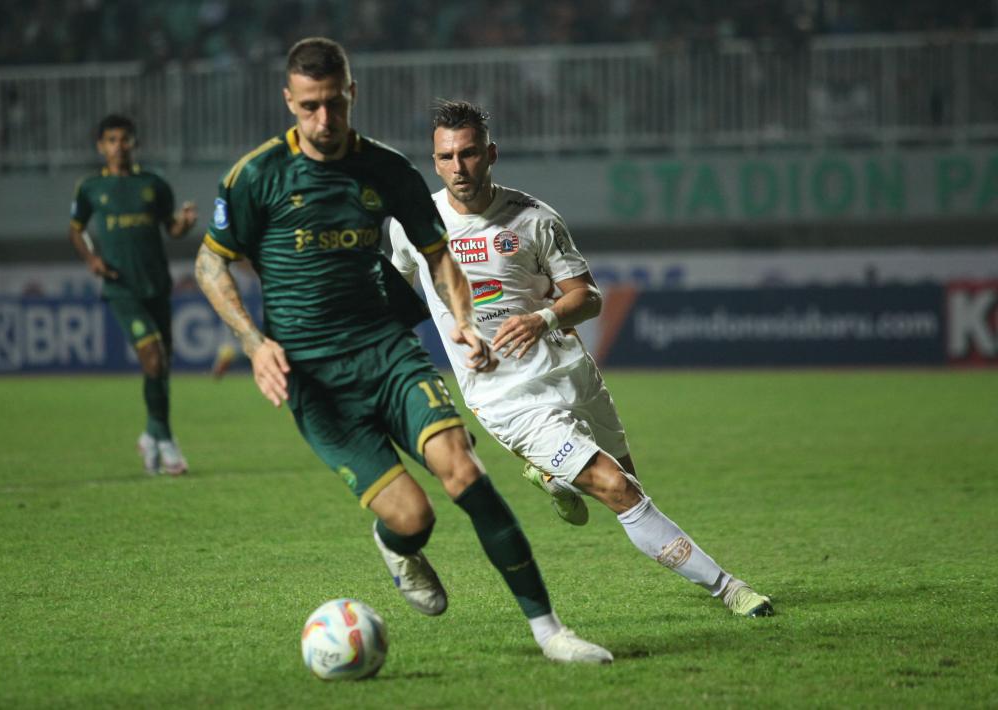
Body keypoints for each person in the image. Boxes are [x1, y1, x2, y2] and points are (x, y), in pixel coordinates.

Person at [195, 37, 614, 663]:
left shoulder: (387, 170)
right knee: (415, 518)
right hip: (315, 381)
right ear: (290, 101)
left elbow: (438, 254)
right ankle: (397, 542)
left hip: (387, 354)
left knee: (464, 474)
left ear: (351, 93)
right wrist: (254, 344)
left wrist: (464, 322)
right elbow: (210, 264)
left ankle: (550, 632)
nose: (324, 120)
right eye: (309, 107)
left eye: (334, 104)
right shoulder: (257, 177)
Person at [389, 100, 774, 618]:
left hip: (571, 371)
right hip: (504, 395)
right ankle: (730, 589)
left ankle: (553, 477)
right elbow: (392, 297)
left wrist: (541, 318)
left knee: (633, 485)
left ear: (491, 153)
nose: (460, 167)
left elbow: (588, 296)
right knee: (616, 489)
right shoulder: (414, 226)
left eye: (471, 153)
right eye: (447, 157)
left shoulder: (534, 218)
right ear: (434, 163)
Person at [68, 114, 198, 475]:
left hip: (156, 284)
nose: (118, 146)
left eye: (125, 139)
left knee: (162, 366)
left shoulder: (153, 183)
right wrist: (92, 259)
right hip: (120, 287)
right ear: (101, 146)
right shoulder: (90, 187)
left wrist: (184, 224)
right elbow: (76, 230)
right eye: (111, 140)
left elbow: (171, 228)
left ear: (134, 143)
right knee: (153, 358)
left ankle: (151, 435)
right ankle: (167, 440)